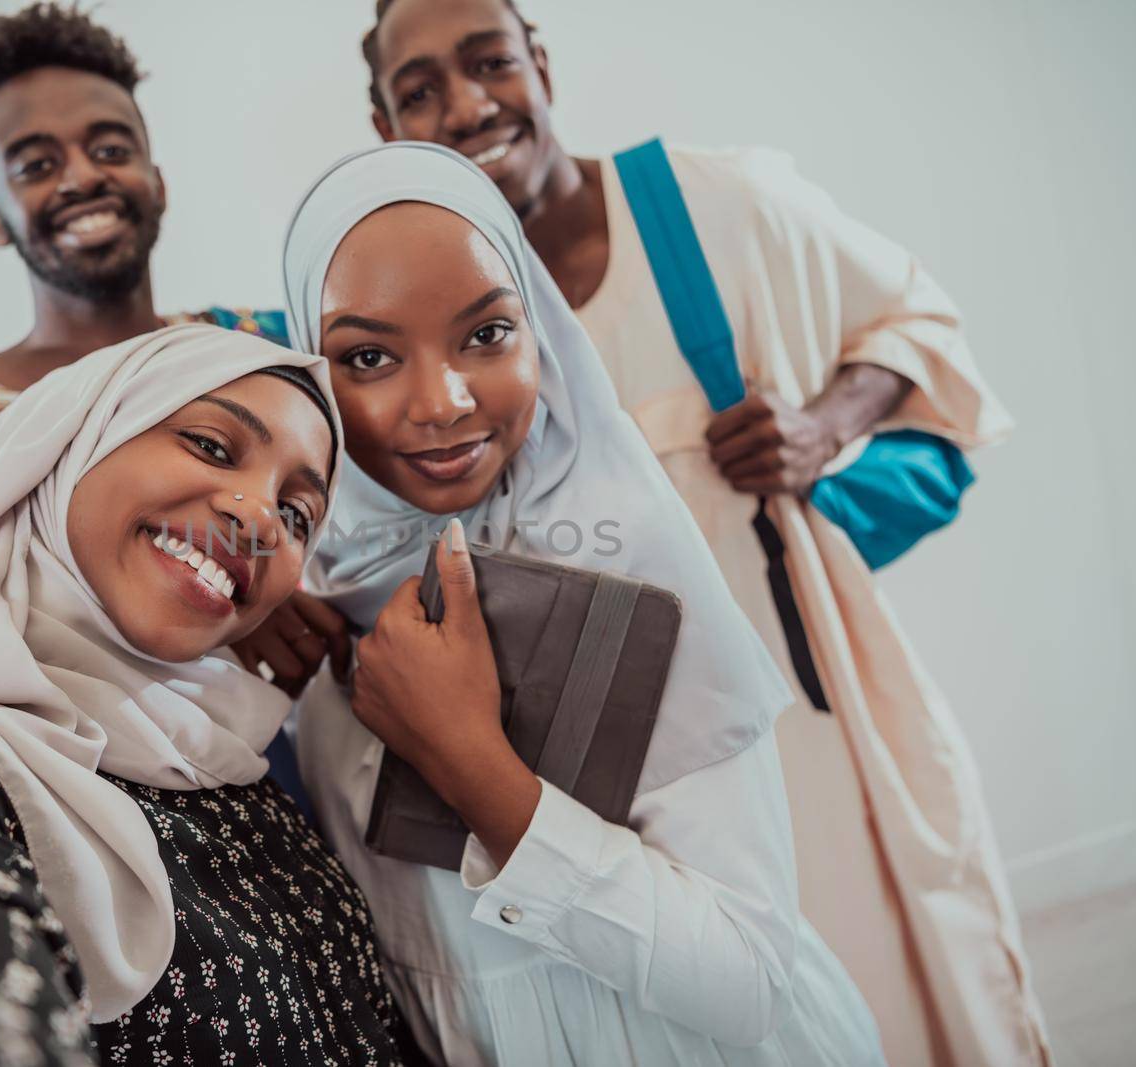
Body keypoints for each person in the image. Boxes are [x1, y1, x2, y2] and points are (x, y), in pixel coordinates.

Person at [354, 1, 1049, 1062]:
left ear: (539, 62)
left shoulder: (709, 208)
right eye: (419, 90)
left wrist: (823, 424)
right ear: (383, 123)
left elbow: (919, 321)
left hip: (792, 727)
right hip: (606, 779)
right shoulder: (410, 314)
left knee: (875, 993)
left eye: (489, 61)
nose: (466, 104)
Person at [276, 140, 884, 1065]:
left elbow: (750, 976)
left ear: (545, 334)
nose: (440, 402)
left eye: (486, 334)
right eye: (367, 355)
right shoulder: (317, 584)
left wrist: (471, 761)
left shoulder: (631, 562)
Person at [0, 324, 418, 1066]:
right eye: (212, 445)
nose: (261, 519)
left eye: (298, 512)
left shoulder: (227, 763)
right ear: (69, 446)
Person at [0, 3, 286, 704]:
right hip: (55, 799)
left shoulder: (256, 353)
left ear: (156, 182)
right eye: (37, 163)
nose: (79, 177)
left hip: (275, 780)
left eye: (109, 149)